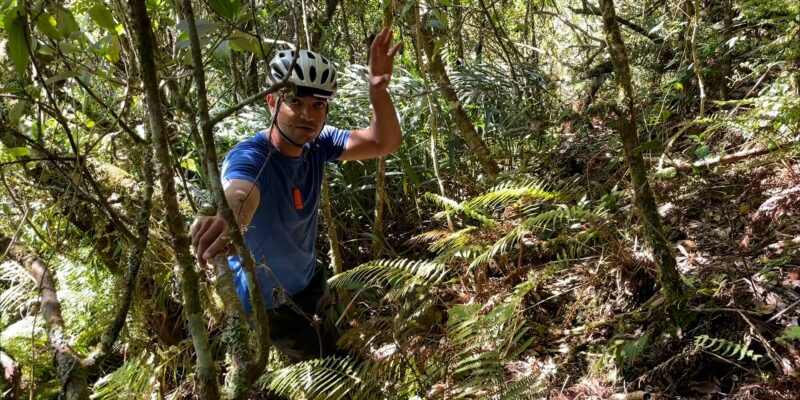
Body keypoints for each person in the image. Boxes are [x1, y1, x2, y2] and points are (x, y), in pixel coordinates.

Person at [190, 28, 403, 361]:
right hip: (274, 303)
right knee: (336, 370)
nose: (308, 114)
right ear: (272, 102)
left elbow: (383, 142)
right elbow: (241, 192)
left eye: (318, 105)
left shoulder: (319, 143)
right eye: (296, 102)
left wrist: (378, 90)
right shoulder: (253, 156)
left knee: (338, 342)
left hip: (309, 278)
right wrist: (229, 219)